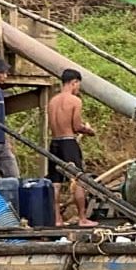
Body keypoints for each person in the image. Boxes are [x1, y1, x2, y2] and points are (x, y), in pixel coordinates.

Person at [47, 68, 97, 227]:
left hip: (54, 142)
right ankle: (82, 218)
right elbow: (76, 126)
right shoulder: (75, 101)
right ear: (74, 82)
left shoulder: (52, 101)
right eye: (78, 85)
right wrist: (88, 130)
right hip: (68, 142)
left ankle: (57, 219)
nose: (78, 88)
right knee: (78, 179)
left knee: (55, 182)